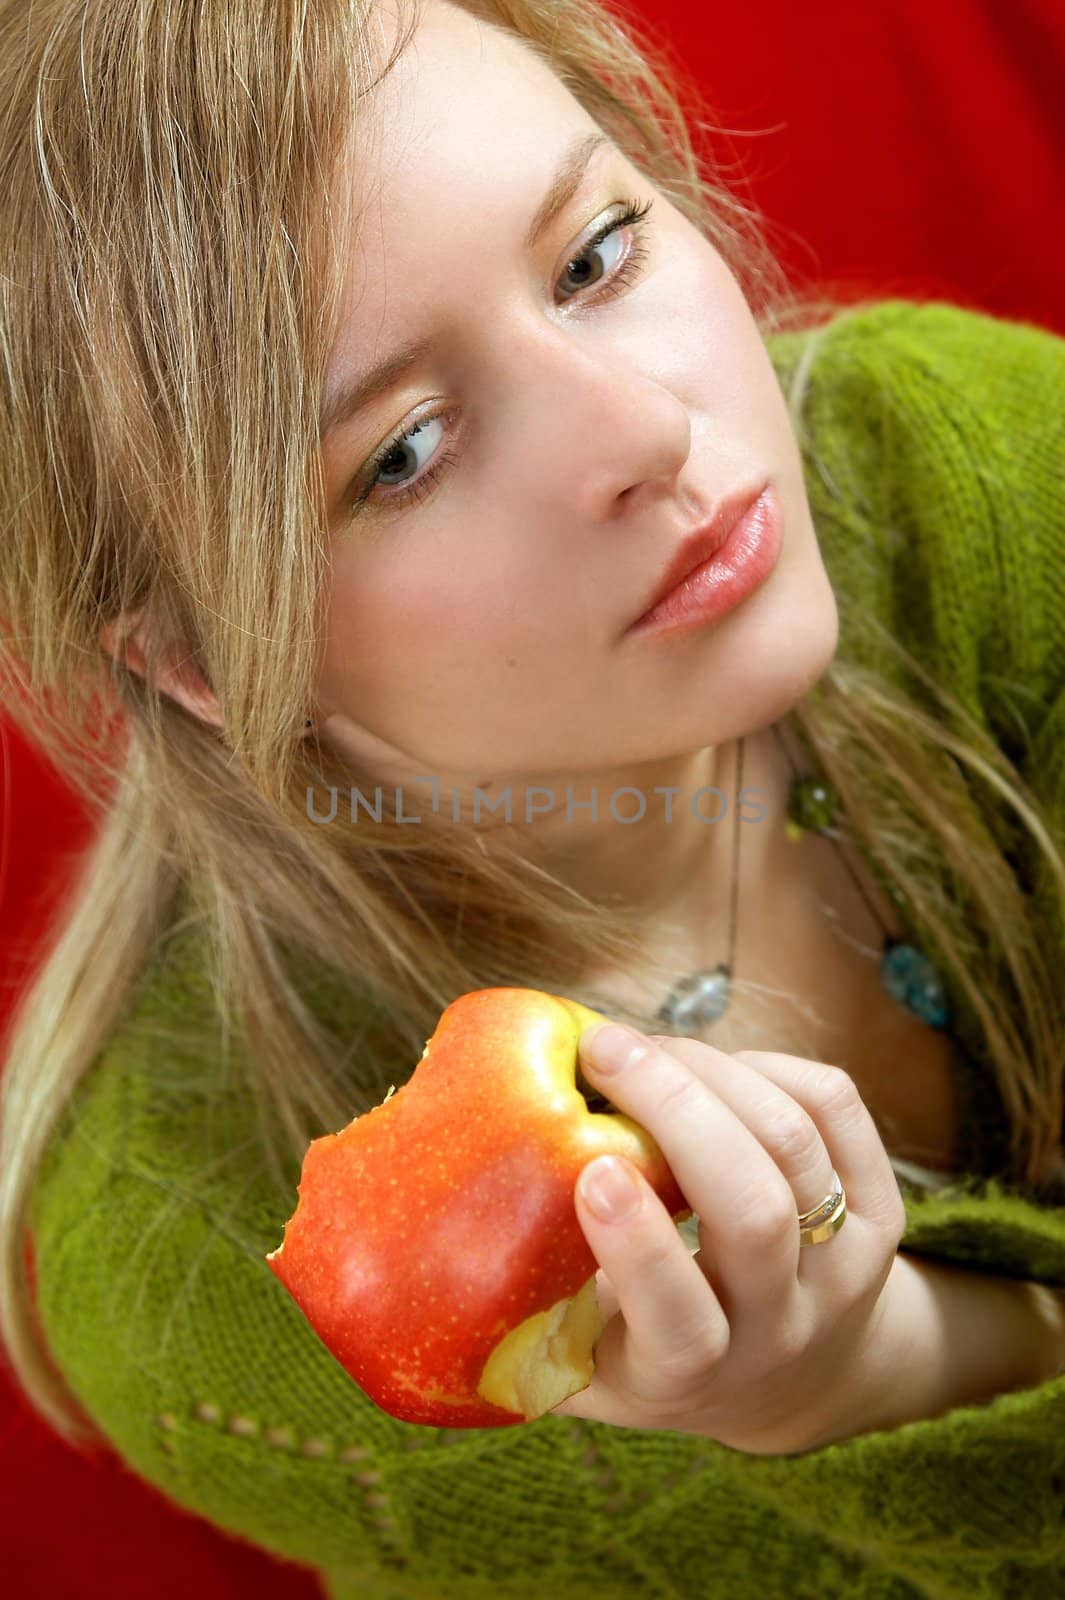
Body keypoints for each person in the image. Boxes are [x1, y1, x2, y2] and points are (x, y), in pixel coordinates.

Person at [1, 0, 1064, 1594]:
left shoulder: (970, 466)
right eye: (408, 451)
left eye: (594, 258)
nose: (645, 432)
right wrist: (851, 1386)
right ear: (200, 661)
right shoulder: (202, 1252)